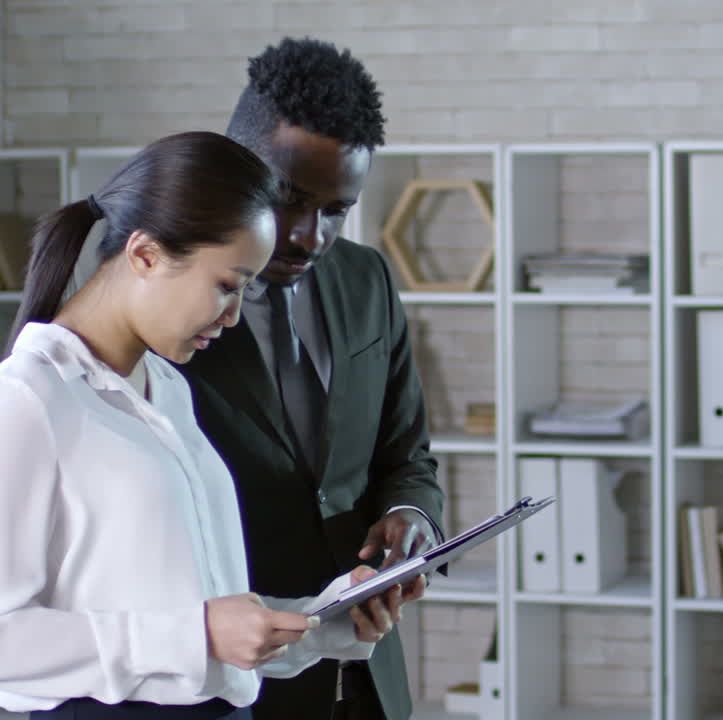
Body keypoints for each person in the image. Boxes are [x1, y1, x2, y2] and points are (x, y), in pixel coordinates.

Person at [0, 131, 416, 720]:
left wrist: (317, 623)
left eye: (247, 288)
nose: (234, 315)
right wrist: (195, 634)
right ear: (145, 254)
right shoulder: (26, 400)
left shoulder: (167, 389)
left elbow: (197, 616)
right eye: (227, 285)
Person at [178, 38, 447, 720]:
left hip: (368, 680)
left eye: (337, 210)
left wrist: (409, 519)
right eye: (289, 199)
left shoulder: (368, 279)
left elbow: (406, 454)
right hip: (236, 683)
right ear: (235, 165)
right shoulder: (167, 299)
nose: (308, 235)